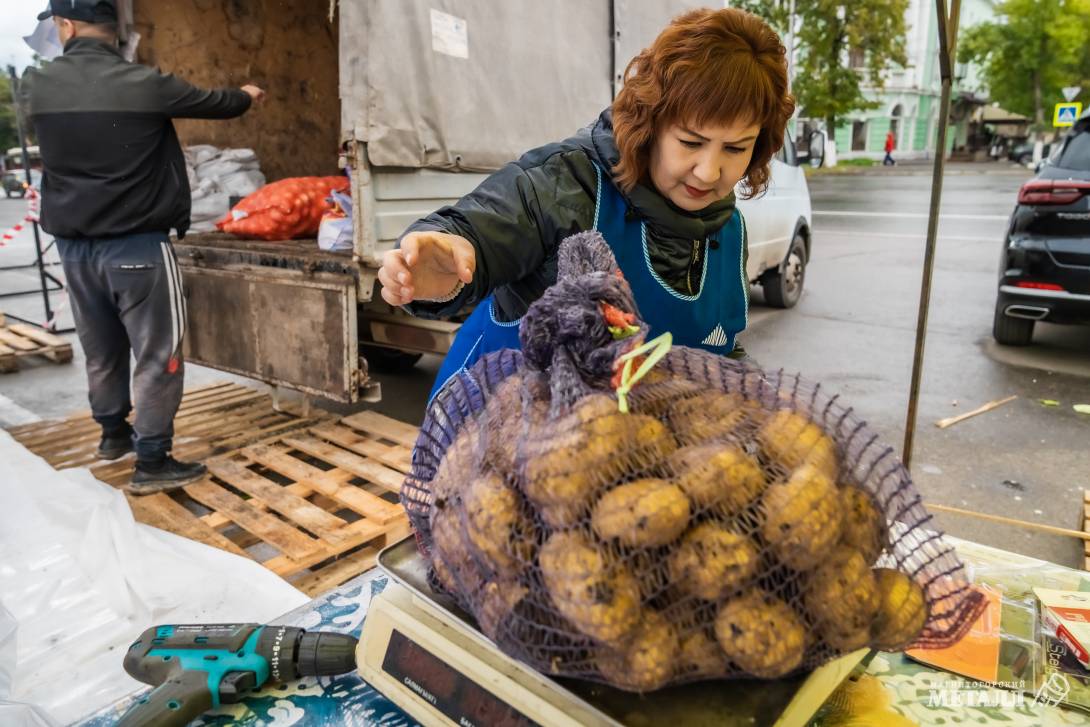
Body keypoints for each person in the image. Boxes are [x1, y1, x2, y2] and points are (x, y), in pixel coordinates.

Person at [377, 7, 794, 401]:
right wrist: (444, 265)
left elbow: (719, 349)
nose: (708, 171)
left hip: (615, 455)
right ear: (650, 122)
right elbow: (477, 233)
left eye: (735, 148)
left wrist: (753, 390)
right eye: (690, 142)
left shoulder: (728, 230)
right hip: (491, 442)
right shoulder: (567, 185)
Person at [19, 0, 265, 493]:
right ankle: (153, 462)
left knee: (101, 346)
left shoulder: (35, 86)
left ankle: (113, 435)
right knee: (158, 353)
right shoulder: (144, 84)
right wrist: (248, 93)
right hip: (137, 248)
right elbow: (220, 103)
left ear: (65, 26)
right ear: (114, 30)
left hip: (74, 250)